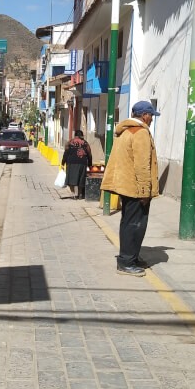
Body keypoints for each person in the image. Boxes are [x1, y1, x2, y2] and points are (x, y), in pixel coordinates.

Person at [100, 101, 160, 277]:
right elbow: (142, 165)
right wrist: (144, 191)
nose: (152, 120)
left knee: (128, 222)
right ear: (145, 116)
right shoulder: (140, 133)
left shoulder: (126, 131)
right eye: (151, 116)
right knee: (135, 225)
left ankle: (130, 257)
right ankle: (126, 261)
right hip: (135, 188)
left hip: (126, 185)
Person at [62, 130, 92, 199]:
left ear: (75, 135)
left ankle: (73, 194)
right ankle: (80, 194)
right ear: (81, 135)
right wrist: (90, 164)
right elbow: (89, 154)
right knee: (81, 179)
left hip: (71, 162)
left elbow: (65, 153)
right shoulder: (85, 143)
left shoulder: (69, 143)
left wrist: (63, 163)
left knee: (70, 179)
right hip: (82, 163)